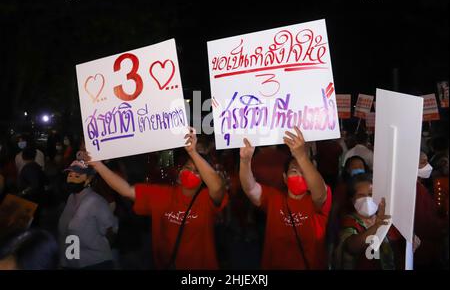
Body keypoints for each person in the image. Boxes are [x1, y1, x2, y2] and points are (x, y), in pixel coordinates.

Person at [85, 127, 228, 270]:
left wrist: (192, 152)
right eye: (188, 168)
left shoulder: (207, 200)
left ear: (204, 180)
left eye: (197, 172)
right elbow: (126, 190)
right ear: (180, 172)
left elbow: (217, 187)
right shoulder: (163, 195)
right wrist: (97, 165)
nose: (190, 173)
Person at [239, 126, 332, 269]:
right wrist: (245, 161)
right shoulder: (274, 198)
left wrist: (301, 156)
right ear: (284, 178)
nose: (300, 176)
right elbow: (250, 188)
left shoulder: (317, 202)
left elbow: (320, 194)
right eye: (294, 171)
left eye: (305, 173)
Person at [333, 173, 404, 270]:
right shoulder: (349, 221)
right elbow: (351, 246)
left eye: (371, 194)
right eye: (361, 195)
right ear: (352, 199)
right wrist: (376, 227)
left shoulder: (385, 218)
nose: (367, 199)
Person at [58, 160, 118, 269]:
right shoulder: (71, 198)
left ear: (88, 180)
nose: (71, 179)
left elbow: (111, 230)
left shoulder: (95, 201)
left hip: (95, 263)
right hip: (72, 263)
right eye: (70, 175)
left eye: (77, 176)